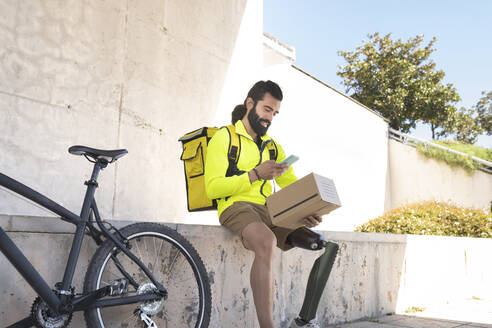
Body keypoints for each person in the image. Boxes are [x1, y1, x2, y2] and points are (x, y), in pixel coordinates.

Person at [205, 80, 323, 328]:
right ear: (251, 104)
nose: (270, 117)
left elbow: (291, 184)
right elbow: (213, 188)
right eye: (267, 109)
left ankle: (303, 321)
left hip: (270, 210)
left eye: (275, 112)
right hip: (235, 207)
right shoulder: (223, 137)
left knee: (319, 242)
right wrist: (255, 175)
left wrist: (308, 209)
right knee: (267, 242)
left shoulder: (272, 147)